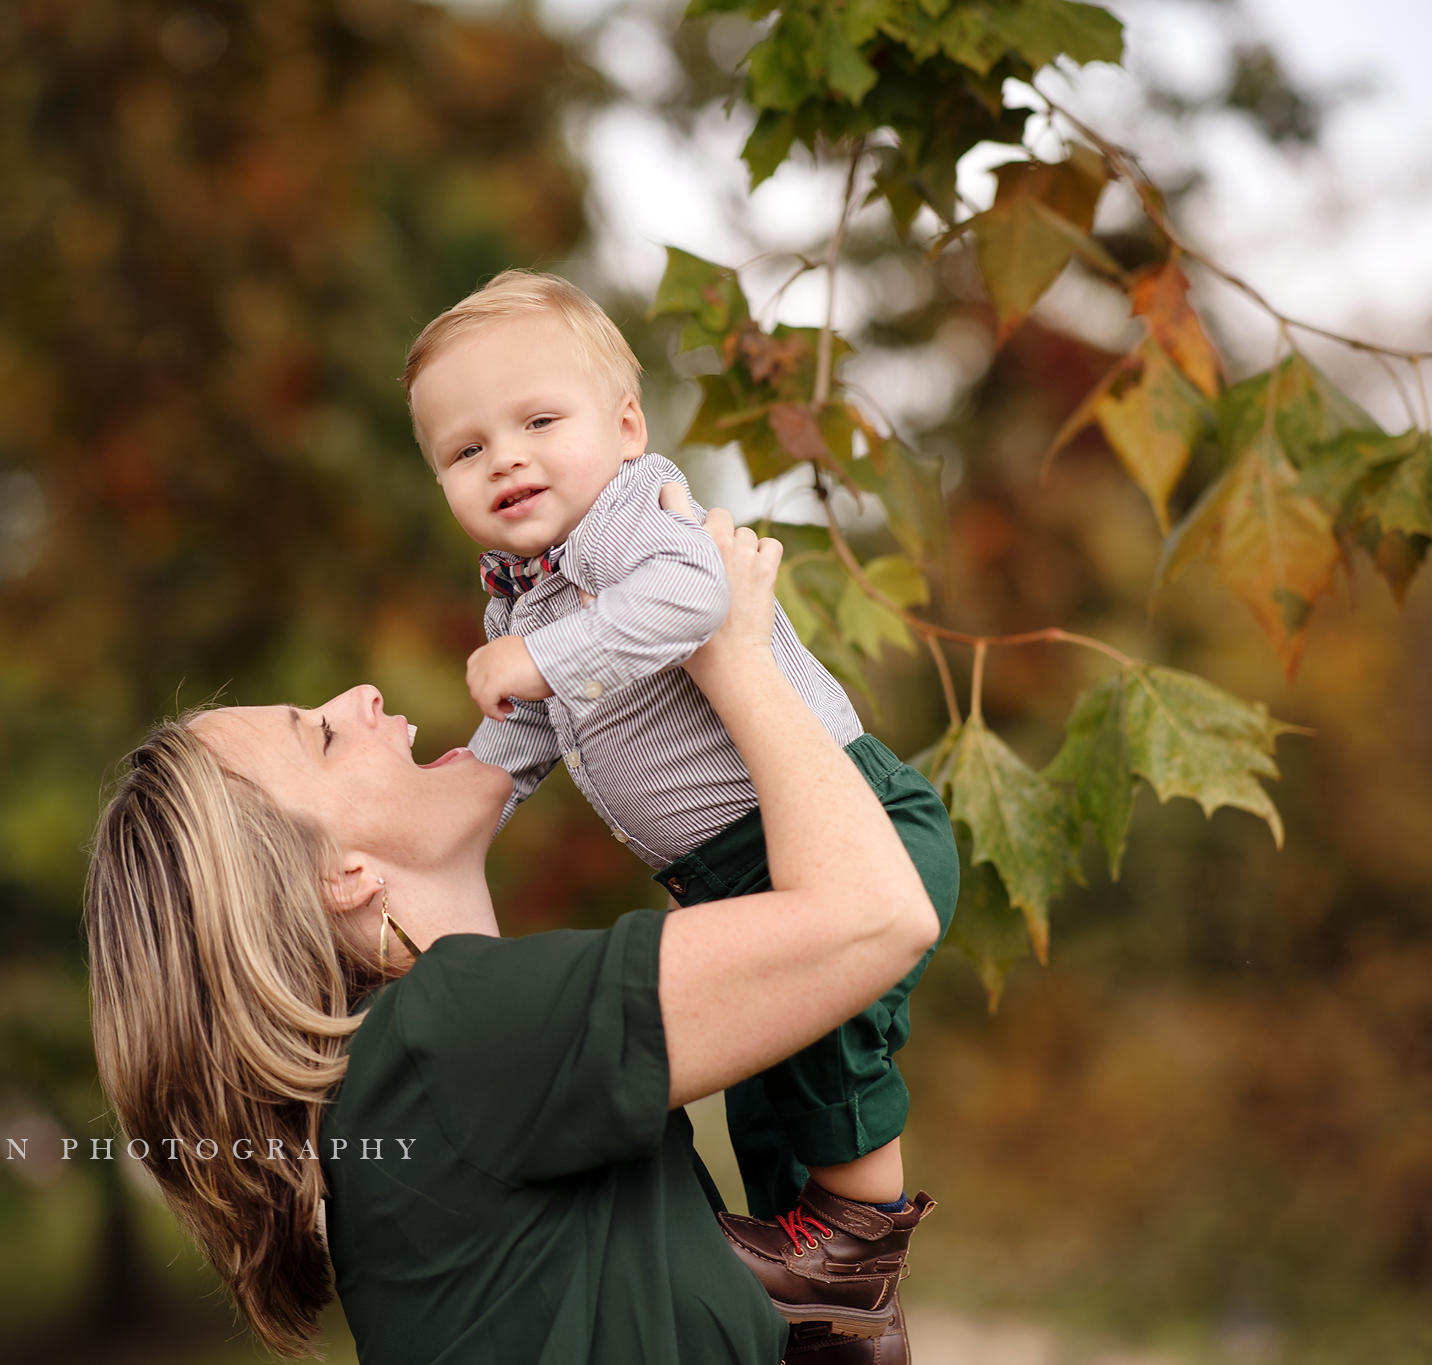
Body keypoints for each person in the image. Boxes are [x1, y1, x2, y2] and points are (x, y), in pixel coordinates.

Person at [84, 510, 949, 1363]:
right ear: (340, 876)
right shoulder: (450, 1038)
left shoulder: (436, 1082)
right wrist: (736, 655)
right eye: (321, 735)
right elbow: (880, 913)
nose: (361, 696)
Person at [400, 271, 961, 1338]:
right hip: (723, 867)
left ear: (623, 426)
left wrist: (541, 654)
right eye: (464, 450)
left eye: (537, 421)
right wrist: (465, 781)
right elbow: (526, 733)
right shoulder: (520, 594)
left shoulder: (628, 518)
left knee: (819, 1027)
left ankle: (859, 1242)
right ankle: (820, 1286)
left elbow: (694, 597)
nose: (503, 458)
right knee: (760, 1087)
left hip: (846, 822)